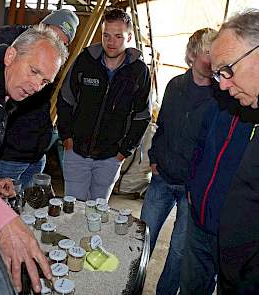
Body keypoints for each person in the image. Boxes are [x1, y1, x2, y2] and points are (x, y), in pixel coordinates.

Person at [0, 24, 67, 293]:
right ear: (11, 56)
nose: (36, 86)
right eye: (34, 71)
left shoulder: (4, 89)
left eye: (45, 81)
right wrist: (4, 222)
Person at [179, 9, 259, 295]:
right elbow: (200, 146)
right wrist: (193, 188)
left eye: (227, 69)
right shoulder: (224, 100)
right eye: (217, 73)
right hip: (200, 216)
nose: (222, 84)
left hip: (233, 237)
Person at [140, 28, 217, 295]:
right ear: (193, 54)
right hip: (162, 178)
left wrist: (199, 184)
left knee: (178, 251)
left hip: (191, 190)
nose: (212, 58)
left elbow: (214, 149)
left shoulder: (221, 97)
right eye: (208, 51)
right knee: (142, 240)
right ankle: (130, 288)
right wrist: (154, 159)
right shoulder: (174, 85)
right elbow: (161, 127)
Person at [57, 8, 151, 201]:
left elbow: (142, 115)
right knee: (72, 210)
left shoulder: (139, 72)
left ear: (130, 36)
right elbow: (65, 99)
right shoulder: (85, 61)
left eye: (118, 36)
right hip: (76, 152)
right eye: (106, 35)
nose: (111, 42)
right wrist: (66, 136)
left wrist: (124, 151)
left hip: (110, 157)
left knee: (98, 211)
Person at [0, 9, 79, 188]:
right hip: (10, 155)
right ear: (41, 28)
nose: (56, 47)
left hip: (36, 153)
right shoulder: (6, 55)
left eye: (63, 43)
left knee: (27, 207)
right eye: (53, 36)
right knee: (1, 205)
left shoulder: (50, 62)